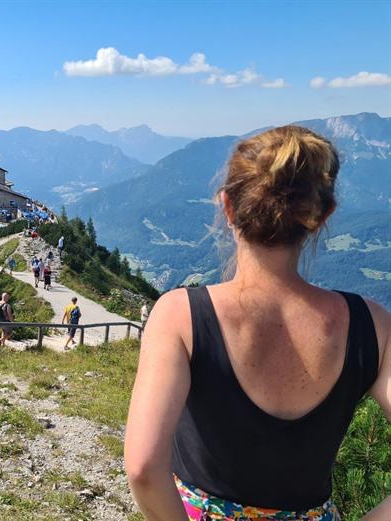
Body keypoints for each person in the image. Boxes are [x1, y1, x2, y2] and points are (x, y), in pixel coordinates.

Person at [124, 126, 391, 519]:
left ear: (227, 206)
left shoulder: (180, 315)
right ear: (320, 217)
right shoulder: (373, 326)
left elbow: (143, 467)